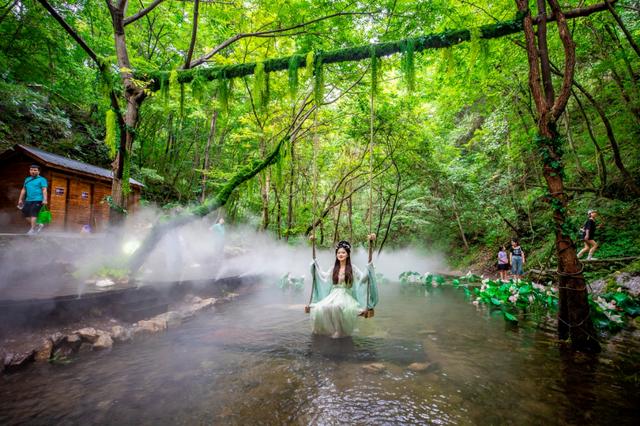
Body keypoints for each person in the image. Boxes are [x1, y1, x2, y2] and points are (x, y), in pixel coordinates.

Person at [306, 234, 378, 338]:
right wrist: (315, 266)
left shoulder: (352, 268)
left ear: (348, 254)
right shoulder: (333, 268)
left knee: (337, 306)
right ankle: (328, 329)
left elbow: (363, 278)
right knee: (321, 307)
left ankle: (340, 331)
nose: (340, 254)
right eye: (339, 253)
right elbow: (323, 277)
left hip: (346, 295)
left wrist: (369, 268)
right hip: (333, 294)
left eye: (343, 252)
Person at [17, 164, 48, 235]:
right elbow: (23, 190)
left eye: (35, 170)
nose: (33, 171)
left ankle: (32, 229)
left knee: (33, 214)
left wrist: (45, 199)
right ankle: (37, 225)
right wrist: (20, 199)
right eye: (31, 170)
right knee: (26, 214)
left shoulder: (42, 179)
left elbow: (44, 189)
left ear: (39, 171)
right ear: (29, 171)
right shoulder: (27, 179)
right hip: (28, 200)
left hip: (38, 199)